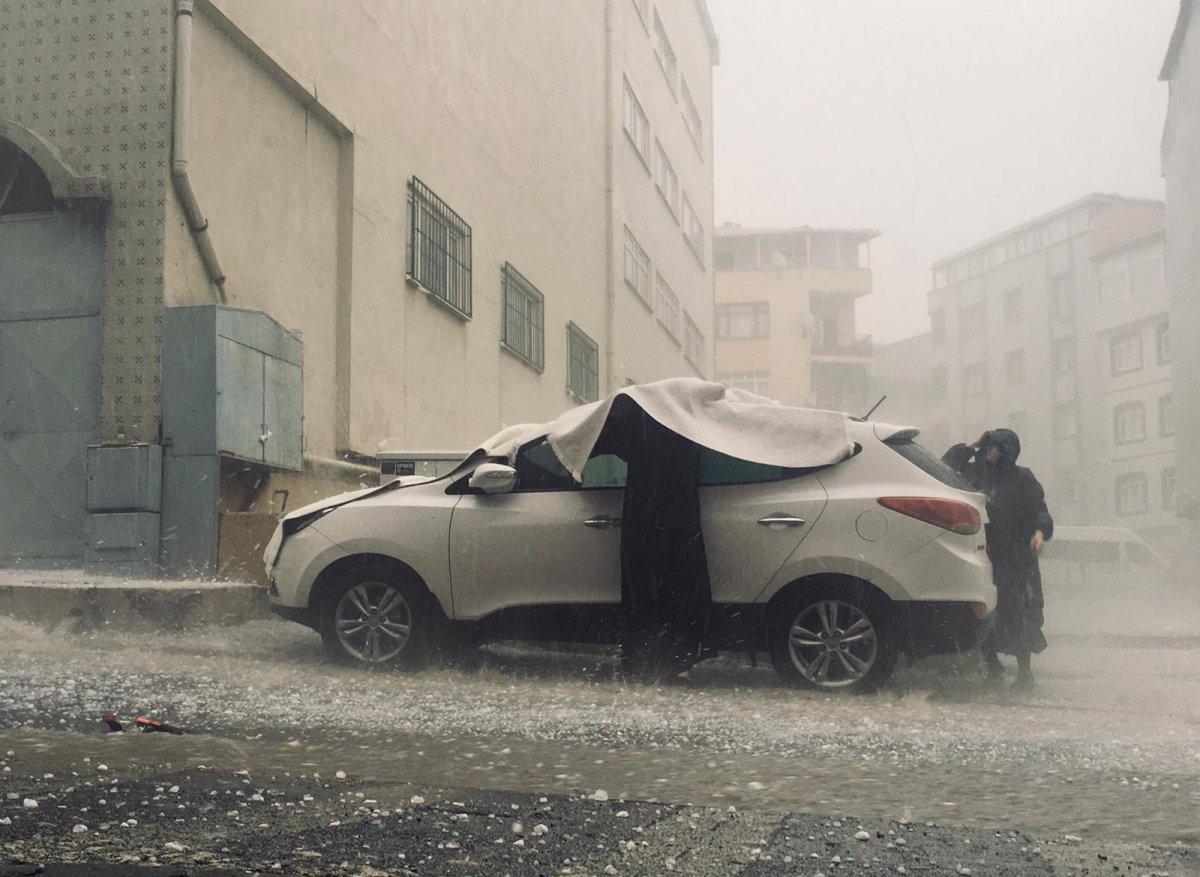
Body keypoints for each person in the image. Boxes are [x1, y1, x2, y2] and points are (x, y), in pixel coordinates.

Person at [943, 428, 1053, 691]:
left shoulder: (1021, 477)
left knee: (1015, 612)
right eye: (989, 446)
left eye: (996, 448)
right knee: (983, 613)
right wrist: (974, 445)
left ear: (1008, 451)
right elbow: (945, 466)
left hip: (1015, 557)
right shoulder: (976, 473)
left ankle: (1024, 672)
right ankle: (992, 665)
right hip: (983, 553)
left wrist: (1039, 533)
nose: (991, 452)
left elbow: (1039, 509)